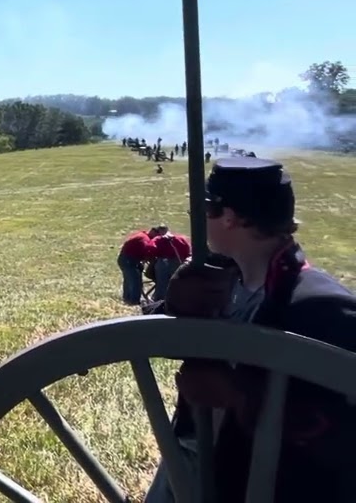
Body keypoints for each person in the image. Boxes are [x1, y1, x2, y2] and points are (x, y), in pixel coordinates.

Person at [144, 157, 356, 502]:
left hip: (261, 482)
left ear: (229, 217)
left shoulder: (323, 307)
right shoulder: (216, 277)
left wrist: (239, 396)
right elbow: (135, 340)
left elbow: (342, 430)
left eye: (204, 209)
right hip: (192, 457)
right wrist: (174, 306)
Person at [146, 225, 191, 302]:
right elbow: (188, 249)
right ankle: (177, 300)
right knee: (176, 282)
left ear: (159, 231)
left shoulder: (158, 239)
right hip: (177, 262)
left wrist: (153, 257)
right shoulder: (180, 238)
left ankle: (160, 301)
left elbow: (151, 248)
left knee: (161, 283)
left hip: (163, 263)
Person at [118, 228, 157, 305]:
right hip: (129, 260)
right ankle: (134, 301)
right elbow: (146, 250)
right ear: (153, 232)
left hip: (126, 258)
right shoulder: (145, 239)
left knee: (129, 280)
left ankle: (127, 299)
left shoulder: (142, 235)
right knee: (135, 281)